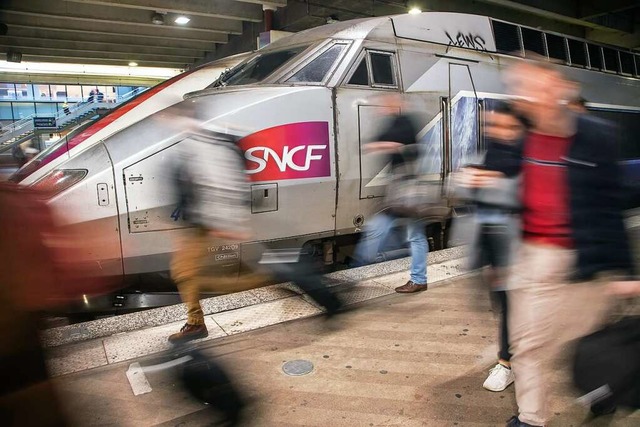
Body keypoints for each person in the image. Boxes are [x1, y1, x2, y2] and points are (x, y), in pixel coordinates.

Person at [464, 58, 635, 427]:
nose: (529, 97)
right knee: (528, 344)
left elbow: (610, 207)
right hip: (531, 256)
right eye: (521, 89)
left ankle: (602, 391)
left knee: (586, 338)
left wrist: (623, 272)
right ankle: (532, 418)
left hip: (580, 257)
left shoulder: (596, 135)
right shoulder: (519, 136)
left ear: (560, 89)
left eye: (537, 87)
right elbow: (497, 184)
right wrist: (481, 181)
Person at [168, 122, 342, 344]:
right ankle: (196, 322)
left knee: (188, 274)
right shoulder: (198, 143)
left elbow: (226, 185)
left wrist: (228, 222)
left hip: (212, 222)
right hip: (203, 223)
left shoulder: (211, 143)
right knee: (185, 272)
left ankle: (305, 286)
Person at [464, 101, 525, 393]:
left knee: (515, 309)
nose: (496, 131)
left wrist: (493, 181)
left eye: (504, 125)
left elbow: (529, 194)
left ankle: (507, 362)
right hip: (498, 248)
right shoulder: (492, 152)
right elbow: (482, 208)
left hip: (524, 248)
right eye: (492, 125)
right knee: (507, 307)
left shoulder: (530, 154)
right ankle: (509, 359)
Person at [353, 93, 429, 293]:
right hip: (400, 189)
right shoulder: (392, 123)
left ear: (395, 105)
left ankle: (357, 273)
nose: (381, 109)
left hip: (406, 189)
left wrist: (381, 146)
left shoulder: (405, 123)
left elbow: (399, 145)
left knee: (391, 231)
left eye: (385, 105)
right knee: (409, 234)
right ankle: (418, 279)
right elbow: (377, 141)